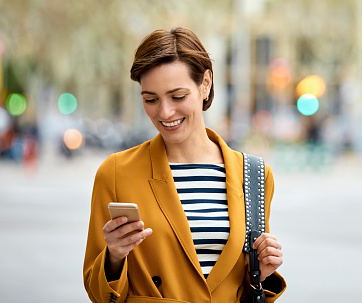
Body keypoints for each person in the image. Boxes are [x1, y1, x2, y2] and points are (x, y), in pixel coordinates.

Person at [83, 27, 286, 303]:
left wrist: (260, 275)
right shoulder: (117, 172)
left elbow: (245, 291)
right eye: (150, 99)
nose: (164, 112)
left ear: (205, 84)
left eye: (177, 96)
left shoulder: (253, 175)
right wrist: (114, 257)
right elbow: (99, 295)